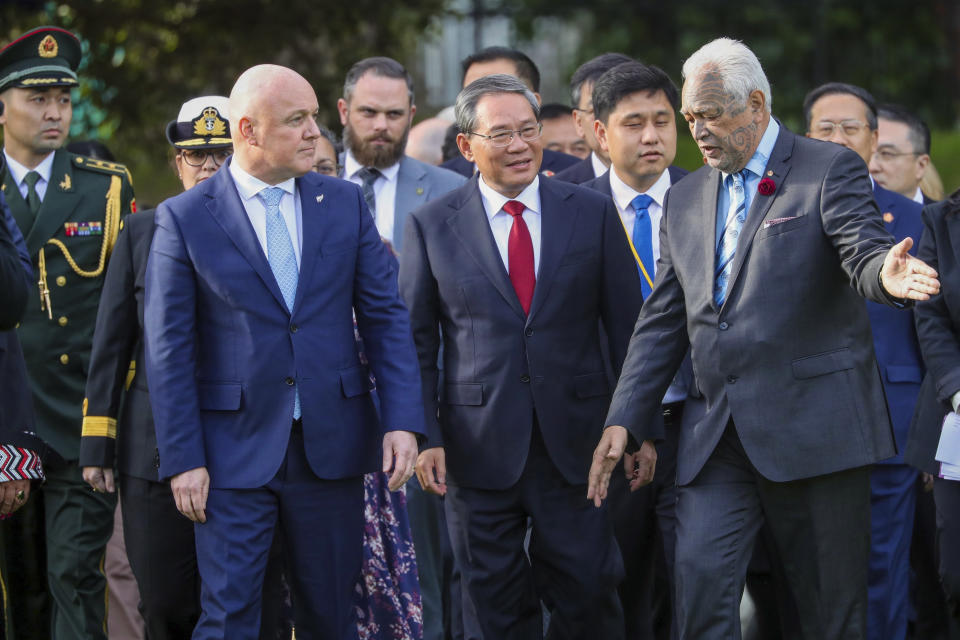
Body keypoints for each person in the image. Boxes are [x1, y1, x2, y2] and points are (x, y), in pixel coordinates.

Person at [586, 37, 939, 640]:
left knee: (834, 616)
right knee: (699, 594)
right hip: (715, 434)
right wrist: (625, 415)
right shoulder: (686, 196)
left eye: (711, 114)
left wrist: (887, 273)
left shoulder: (828, 168)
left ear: (755, 104)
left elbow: (861, 251)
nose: (697, 131)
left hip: (816, 431)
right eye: (690, 117)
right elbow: (664, 320)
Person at [144, 64, 424, 639]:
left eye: (314, 117)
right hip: (229, 457)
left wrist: (402, 420)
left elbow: (385, 319)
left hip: (333, 448)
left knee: (331, 618)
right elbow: (168, 350)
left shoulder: (343, 202)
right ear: (247, 131)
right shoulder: (184, 217)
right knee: (229, 620)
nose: (313, 134)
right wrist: (183, 459)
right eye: (296, 120)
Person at [400, 73, 642, 640]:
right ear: (466, 146)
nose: (519, 146)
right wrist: (424, 435)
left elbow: (631, 327)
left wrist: (636, 424)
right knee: (492, 606)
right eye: (501, 134)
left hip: (578, 445)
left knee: (589, 594)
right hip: (475, 448)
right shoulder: (432, 225)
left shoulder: (591, 211)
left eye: (528, 131)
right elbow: (417, 342)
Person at [78, 96, 290, 640]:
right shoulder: (143, 232)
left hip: (247, 451)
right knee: (166, 604)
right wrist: (98, 443)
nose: (207, 168)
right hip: (153, 453)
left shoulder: (273, 229)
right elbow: (112, 342)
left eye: (220, 155)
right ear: (177, 164)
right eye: (194, 156)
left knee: (253, 603)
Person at [0, 26, 136, 640]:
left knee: (74, 576)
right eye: (37, 98)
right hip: (4, 414)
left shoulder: (104, 187)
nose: (54, 112)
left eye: (63, 99)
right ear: (2, 105)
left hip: (76, 417)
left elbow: (122, 313)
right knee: (18, 584)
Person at [803, 81, 925, 640]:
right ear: (803, 137)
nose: (838, 137)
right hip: (801, 421)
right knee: (810, 573)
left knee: (883, 566)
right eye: (824, 128)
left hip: (891, 419)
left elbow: (935, 327)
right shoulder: (771, 212)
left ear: (874, 139)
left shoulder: (920, 219)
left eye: (851, 127)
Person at [584, 60, 688, 639]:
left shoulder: (711, 202)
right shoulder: (573, 210)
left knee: (693, 581)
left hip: (701, 425)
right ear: (600, 133)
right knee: (615, 588)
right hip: (609, 433)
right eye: (633, 124)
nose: (651, 136)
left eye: (662, 121)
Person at [337, 56, 465, 255]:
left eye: (394, 114)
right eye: (369, 112)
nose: (381, 125)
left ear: (411, 115)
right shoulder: (309, 181)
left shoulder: (451, 190)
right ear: (344, 112)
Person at [906, 189, 960, 633]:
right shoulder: (941, 219)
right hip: (957, 414)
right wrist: (956, 388)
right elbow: (931, 314)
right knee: (955, 572)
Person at [440, 47, 579, 178]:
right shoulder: (442, 181)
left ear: (534, 101)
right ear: (465, 146)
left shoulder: (574, 175)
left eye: (502, 88)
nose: (487, 100)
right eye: (474, 93)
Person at [554, 53, 634, 184]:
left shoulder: (677, 186)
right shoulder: (557, 192)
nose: (611, 123)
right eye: (597, 110)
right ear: (579, 122)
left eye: (625, 111)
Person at [868, 104, 933, 204]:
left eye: (886, 153)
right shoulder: (841, 216)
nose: (871, 167)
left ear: (921, 165)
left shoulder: (944, 218)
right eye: (866, 152)